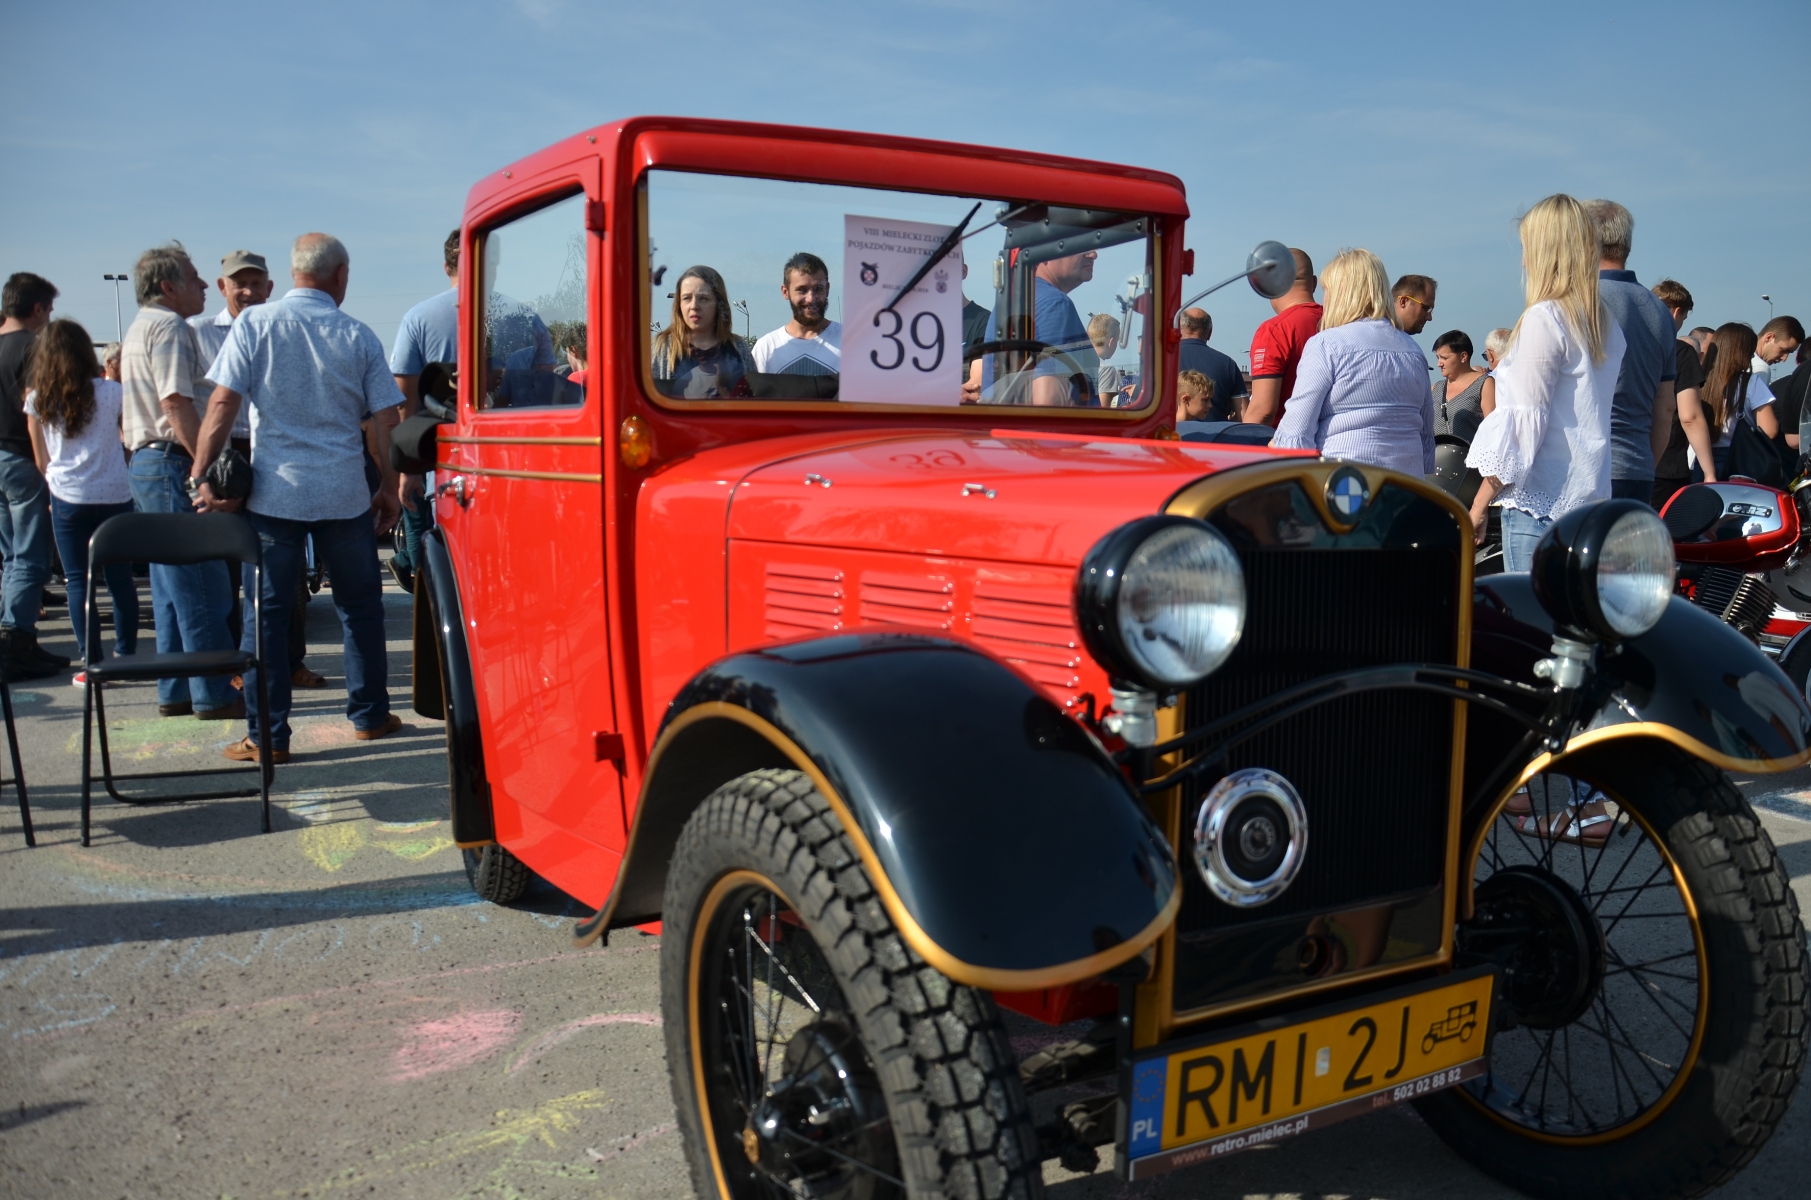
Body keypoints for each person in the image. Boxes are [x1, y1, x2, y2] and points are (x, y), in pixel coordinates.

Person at [193, 233, 406, 765]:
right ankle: (370, 715)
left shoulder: (254, 325)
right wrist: (387, 486)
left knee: (265, 614)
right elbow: (386, 419)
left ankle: (267, 736)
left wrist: (201, 472)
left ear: (291, 275)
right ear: (340, 276)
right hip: (343, 494)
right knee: (360, 608)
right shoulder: (357, 335)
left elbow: (223, 402)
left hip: (275, 496)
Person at [1467, 194, 1626, 575]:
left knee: (1531, 625)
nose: (1523, 260)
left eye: (1527, 249)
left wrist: (1478, 504)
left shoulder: (1545, 317)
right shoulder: (1604, 324)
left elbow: (1525, 427)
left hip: (1538, 504)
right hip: (1586, 498)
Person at [120, 244, 238, 718]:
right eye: (194, 278)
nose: (206, 285)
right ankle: (213, 692)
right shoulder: (170, 327)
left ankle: (176, 689)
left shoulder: (140, 327)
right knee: (203, 581)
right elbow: (175, 403)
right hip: (172, 461)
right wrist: (203, 469)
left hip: (149, 462)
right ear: (169, 287)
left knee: (170, 587)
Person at [21, 319, 137, 673]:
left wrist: (55, 478)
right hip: (116, 493)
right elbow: (128, 439)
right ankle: (126, 653)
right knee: (120, 578)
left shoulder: (38, 399)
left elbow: (41, 456)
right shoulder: (112, 392)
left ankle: (91, 659)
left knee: (76, 579)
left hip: (69, 495)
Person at [1273, 248, 1434, 474]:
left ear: (1341, 293)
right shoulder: (1414, 352)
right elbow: (1425, 435)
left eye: (1326, 291)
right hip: (1407, 489)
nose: (1324, 299)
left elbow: (1296, 433)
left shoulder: (1327, 345)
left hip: (1346, 490)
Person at [1583, 200, 1677, 506]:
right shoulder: (1659, 310)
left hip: (1587, 470)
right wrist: (1645, 463)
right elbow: (1665, 407)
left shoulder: (1580, 301)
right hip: (1637, 467)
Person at [0, 273, 70, 681]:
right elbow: (37, 413)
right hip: (23, 458)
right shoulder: (32, 349)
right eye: (49, 310)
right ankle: (17, 642)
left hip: (1, 458)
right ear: (38, 308)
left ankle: (16, 637)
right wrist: (47, 467)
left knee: (12, 557)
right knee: (29, 557)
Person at [390, 230, 461, 593]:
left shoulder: (418, 318)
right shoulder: (525, 316)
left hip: (438, 457)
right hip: (507, 458)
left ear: (446, 265)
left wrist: (408, 466)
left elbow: (404, 397)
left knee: (433, 567)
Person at [982, 248, 1099, 406]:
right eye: (1080, 245)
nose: (1093, 254)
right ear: (1044, 254)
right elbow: (1049, 397)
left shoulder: (1010, 302)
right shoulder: (1055, 303)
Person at [190, 250, 270, 459]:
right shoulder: (197, 332)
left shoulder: (279, 336)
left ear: (269, 288)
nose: (249, 292)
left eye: (256, 284)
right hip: (223, 451)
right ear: (222, 287)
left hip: (269, 449)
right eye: (240, 284)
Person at [1685, 323, 1777, 482]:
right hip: (1738, 460)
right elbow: (1770, 430)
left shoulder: (1700, 380)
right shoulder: (1750, 382)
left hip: (1701, 459)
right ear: (1744, 352)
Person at [1244, 249, 1321, 427]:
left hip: (1284, 447)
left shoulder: (1274, 331)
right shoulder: (1339, 323)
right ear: (1314, 283)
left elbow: (1262, 412)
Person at [653, 265, 753, 397]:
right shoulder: (662, 347)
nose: (694, 306)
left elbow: (752, 402)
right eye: (687, 298)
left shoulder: (738, 349)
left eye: (703, 298)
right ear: (679, 304)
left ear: (719, 304)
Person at [1647, 280, 1705, 507]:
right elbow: (1689, 416)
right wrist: (1709, 472)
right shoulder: (1681, 351)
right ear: (1676, 312)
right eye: (1683, 319)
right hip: (1667, 461)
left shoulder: (1627, 341)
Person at [751, 252, 841, 376]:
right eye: (802, 290)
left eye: (818, 289)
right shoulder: (766, 349)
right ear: (785, 292)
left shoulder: (850, 343)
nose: (811, 298)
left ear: (827, 289)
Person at [1177, 308, 1246, 420]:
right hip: (1217, 436)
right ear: (1209, 333)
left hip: (1167, 434)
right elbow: (1243, 415)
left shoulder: (1160, 362)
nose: (1209, 405)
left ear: (1179, 329)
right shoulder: (1227, 364)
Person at [1431, 330, 1490, 440]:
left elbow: (1493, 429)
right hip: (1437, 456)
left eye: (1444, 358)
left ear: (1463, 356)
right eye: (1437, 358)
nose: (1439, 364)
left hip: (1471, 455)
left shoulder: (1484, 384)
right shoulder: (1435, 389)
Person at [1088, 313, 1128, 406]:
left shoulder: (1074, 362)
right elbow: (1102, 413)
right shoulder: (1107, 370)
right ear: (1111, 341)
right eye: (1117, 341)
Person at [1753, 315, 1803, 386]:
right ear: (1769, 338)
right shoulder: (1760, 368)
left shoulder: (1735, 355)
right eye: (1783, 350)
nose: (1784, 359)